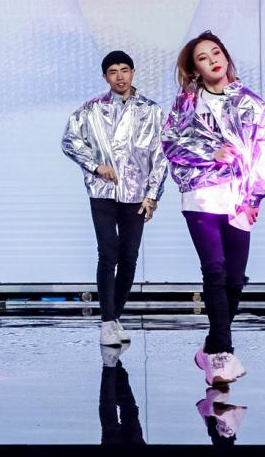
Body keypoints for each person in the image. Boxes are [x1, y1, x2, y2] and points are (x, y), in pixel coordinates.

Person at [162, 31, 265, 386]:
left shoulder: (252, 103)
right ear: (195, 69)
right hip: (200, 196)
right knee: (214, 270)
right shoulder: (187, 104)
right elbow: (170, 143)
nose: (213, 60)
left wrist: (256, 196)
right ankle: (222, 355)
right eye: (203, 58)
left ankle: (211, 346)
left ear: (226, 57)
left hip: (238, 199)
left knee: (234, 278)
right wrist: (210, 153)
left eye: (216, 53)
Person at [62, 49, 167, 346]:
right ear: (105, 76)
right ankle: (107, 322)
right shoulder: (91, 109)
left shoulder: (151, 110)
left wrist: (152, 195)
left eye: (124, 70)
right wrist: (96, 166)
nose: (120, 77)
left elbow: (160, 155)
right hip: (103, 192)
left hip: (136, 194)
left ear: (133, 72)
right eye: (113, 72)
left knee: (129, 256)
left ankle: (115, 317)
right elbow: (69, 140)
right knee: (108, 252)